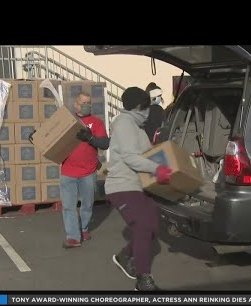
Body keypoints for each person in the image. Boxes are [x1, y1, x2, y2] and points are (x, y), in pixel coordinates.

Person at [106, 87, 173, 291]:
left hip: (138, 185)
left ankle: (125, 256)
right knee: (144, 225)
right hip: (121, 185)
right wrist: (157, 168)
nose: (148, 112)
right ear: (137, 106)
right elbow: (130, 157)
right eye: (146, 107)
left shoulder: (138, 127)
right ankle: (143, 279)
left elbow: (147, 153)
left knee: (152, 226)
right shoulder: (124, 123)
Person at [60, 91, 109, 248]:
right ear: (76, 104)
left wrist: (90, 138)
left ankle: (84, 228)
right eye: (84, 103)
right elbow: (52, 139)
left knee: (87, 204)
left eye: (89, 103)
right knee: (68, 206)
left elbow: (105, 144)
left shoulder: (96, 122)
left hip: (88, 171)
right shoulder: (67, 121)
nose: (87, 106)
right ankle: (73, 237)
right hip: (68, 171)